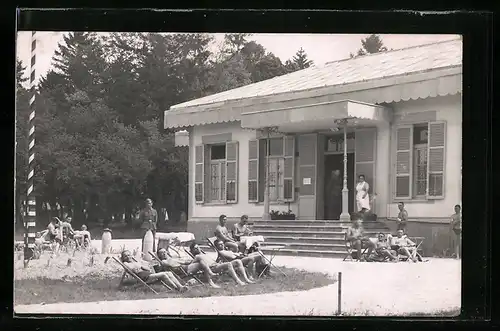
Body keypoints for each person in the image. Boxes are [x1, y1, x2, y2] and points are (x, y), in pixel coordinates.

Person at [120, 250, 187, 292]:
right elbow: (132, 268)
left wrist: (139, 265)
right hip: (143, 277)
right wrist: (139, 265)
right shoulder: (126, 263)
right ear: (123, 258)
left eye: (129, 255)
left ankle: (180, 286)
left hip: (148, 274)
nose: (128, 257)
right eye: (125, 256)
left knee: (169, 273)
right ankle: (177, 289)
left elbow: (147, 268)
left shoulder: (135, 262)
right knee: (163, 274)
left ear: (131, 255)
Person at [189, 243, 254, 285]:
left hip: (217, 264)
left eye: (198, 247)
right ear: (193, 251)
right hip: (213, 268)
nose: (198, 249)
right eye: (195, 248)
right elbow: (192, 265)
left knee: (238, 261)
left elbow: (212, 260)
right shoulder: (197, 257)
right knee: (229, 264)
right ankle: (238, 281)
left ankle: (246, 279)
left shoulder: (204, 253)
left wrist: (218, 261)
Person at [156, 247, 221, 288]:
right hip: (184, 270)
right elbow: (174, 265)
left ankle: (211, 275)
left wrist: (183, 261)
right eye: (162, 253)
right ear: (159, 255)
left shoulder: (171, 258)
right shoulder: (163, 261)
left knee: (201, 261)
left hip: (186, 266)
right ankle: (211, 276)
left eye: (165, 252)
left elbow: (178, 262)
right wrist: (181, 261)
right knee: (200, 260)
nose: (164, 254)